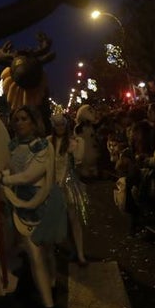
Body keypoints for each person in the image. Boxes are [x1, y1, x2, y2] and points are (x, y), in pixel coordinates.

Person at [0, 105, 67, 308]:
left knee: (46, 253)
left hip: (42, 207)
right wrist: (1, 175)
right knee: (35, 257)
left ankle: (52, 285)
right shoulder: (13, 147)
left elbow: (29, 176)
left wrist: (3, 181)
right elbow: (15, 172)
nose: (20, 122)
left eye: (24, 118)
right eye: (16, 119)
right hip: (21, 209)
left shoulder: (43, 147)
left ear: (34, 122)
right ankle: (49, 307)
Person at [50, 114, 88, 266]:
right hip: (52, 185)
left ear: (66, 125)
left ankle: (80, 253)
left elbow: (79, 159)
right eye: (57, 125)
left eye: (62, 124)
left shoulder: (72, 142)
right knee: (57, 221)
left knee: (74, 220)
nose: (60, 127)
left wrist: (79, 142)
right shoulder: (48, 142)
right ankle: (62, 250)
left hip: (68, 185)